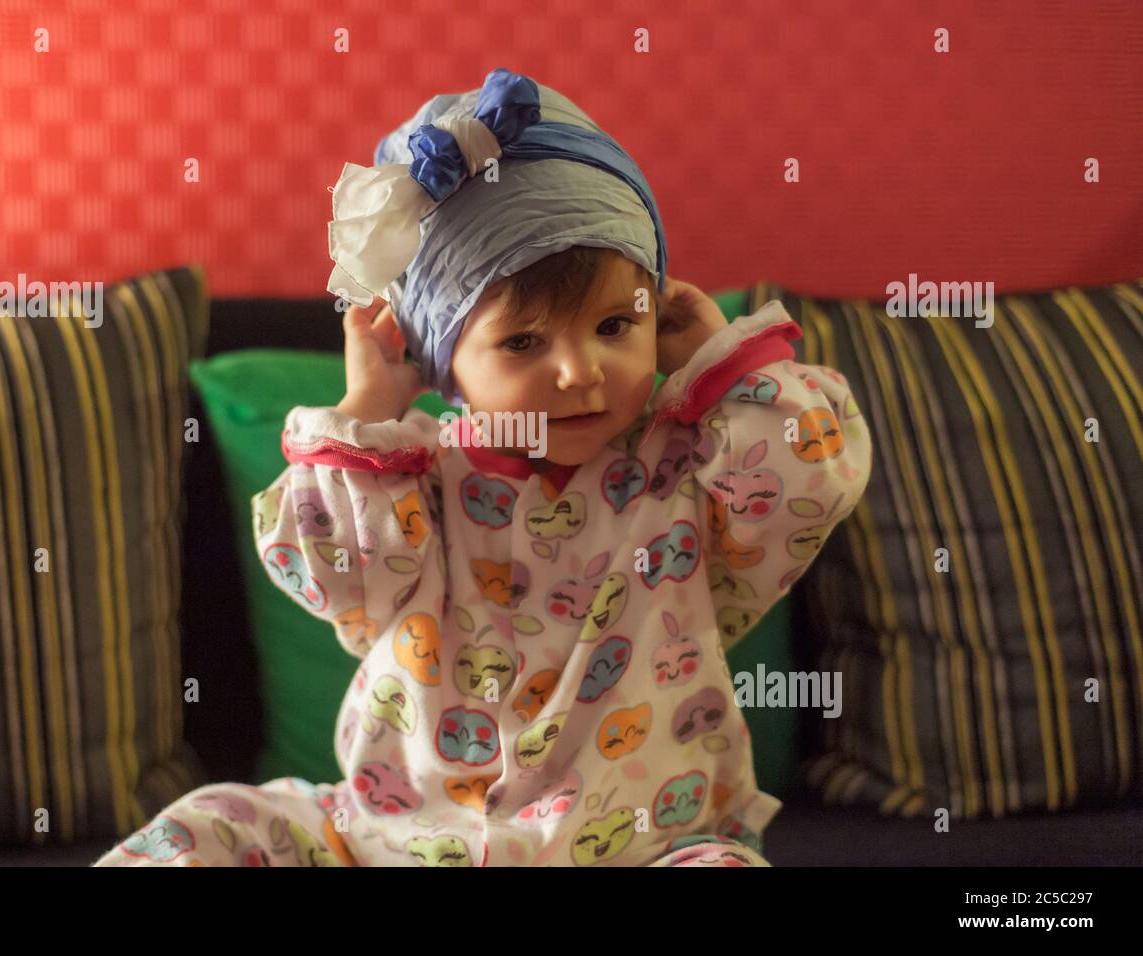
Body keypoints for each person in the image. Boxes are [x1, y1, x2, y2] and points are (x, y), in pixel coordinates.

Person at [93, 67, 872, 867]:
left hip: (645, 844)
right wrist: (366, 408)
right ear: (443, 363)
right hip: (399, 843)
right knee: (204, 828)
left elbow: (810, 480)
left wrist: (723, 366)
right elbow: (330, 571)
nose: (580, 373)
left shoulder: (690, 465)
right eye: (524, 342)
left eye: (613, 325)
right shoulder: (406, 479)